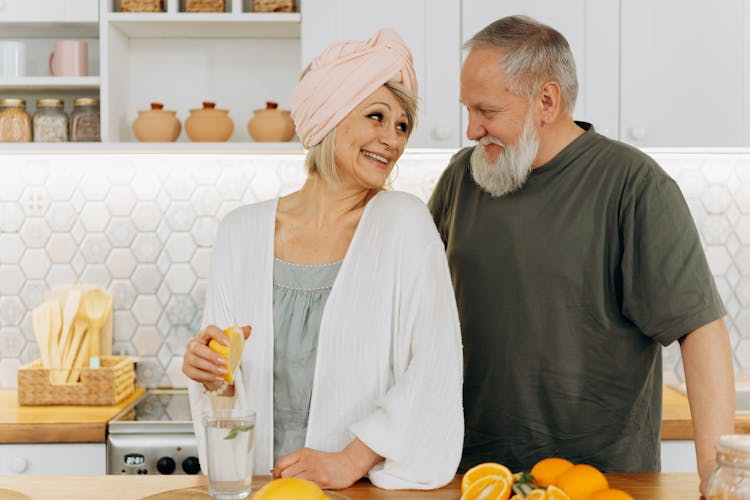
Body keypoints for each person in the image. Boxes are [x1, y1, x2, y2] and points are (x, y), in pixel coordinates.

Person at [428, 15, 735, 495]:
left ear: (546, 101)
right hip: (470, 476)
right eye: (467, 109)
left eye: (486, 111)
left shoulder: (634, 186)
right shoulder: (461, 178)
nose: (470, 129)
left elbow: (700, 332)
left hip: (598, 482)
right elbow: (412, 308)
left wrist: (717, 478)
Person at [183, 28, 463, 491]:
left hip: (358, 489)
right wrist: (212, 375)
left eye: (401, 126)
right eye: (376, 116)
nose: (392, 140)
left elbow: (434, 365)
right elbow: (229, 398)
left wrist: (347, 462)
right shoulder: (241, 232)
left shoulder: (404, 224)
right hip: (262, 487)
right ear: (329, 118)